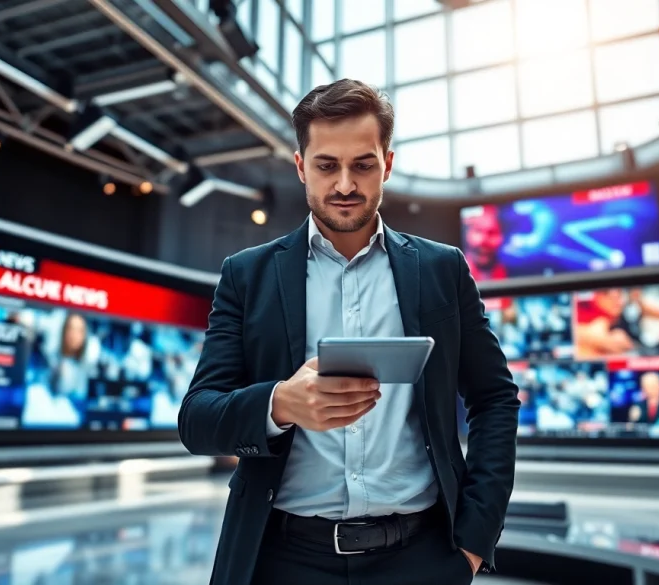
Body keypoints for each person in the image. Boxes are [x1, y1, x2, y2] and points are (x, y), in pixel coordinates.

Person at [179, 79, 521, 585]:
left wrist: (474, 539)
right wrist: (279, 404)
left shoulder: (442, 269)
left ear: (387, 162)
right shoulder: (246, 276)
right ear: (300, 166)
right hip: (281, 560)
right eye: (325, 165)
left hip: (420, 558)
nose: (344, 184)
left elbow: (494, 398)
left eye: (362, 164)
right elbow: (198, 419)